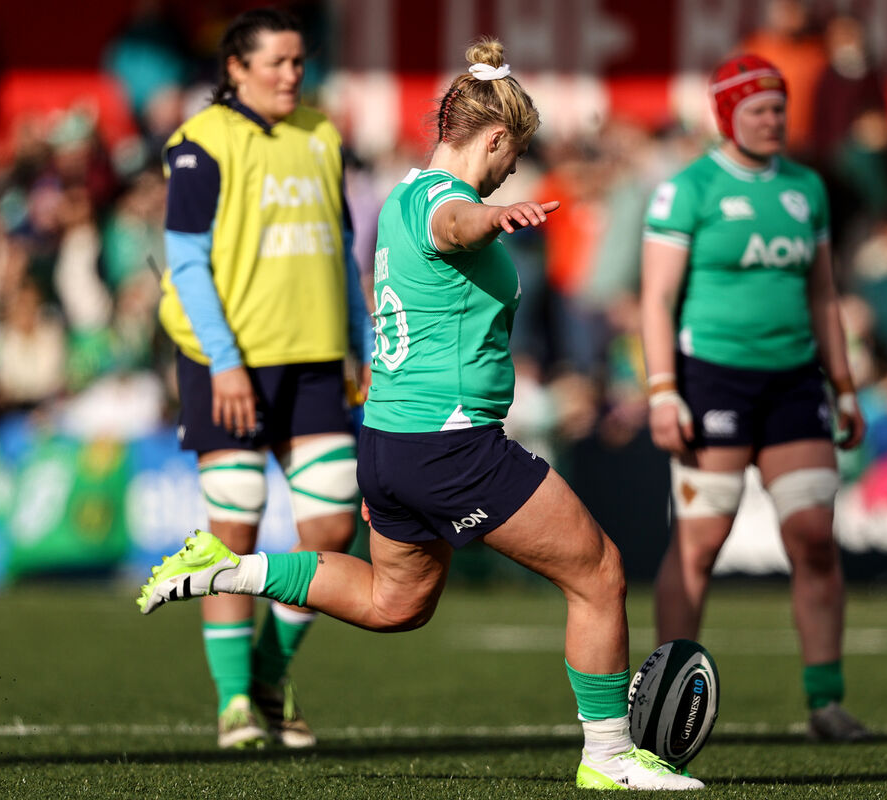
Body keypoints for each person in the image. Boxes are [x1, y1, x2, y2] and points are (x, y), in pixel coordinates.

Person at [140, 37, 703, 791]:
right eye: (513, 154)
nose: (512, 169)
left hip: (391, 442)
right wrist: (496, 215)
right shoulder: (448, 203)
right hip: (453, 445)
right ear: (497, 140)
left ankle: (230, 568)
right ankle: (607, 758)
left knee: (393, 603)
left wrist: (488, 212)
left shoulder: (403, 192)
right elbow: (457, 225)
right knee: (599, 572)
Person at [156, 8, 373, 749]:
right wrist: (222, 360)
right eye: (276, 62)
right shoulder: (200, 143)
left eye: (298, 62)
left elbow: (341, 245)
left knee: (332, 529)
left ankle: (271, 674)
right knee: (235, 524)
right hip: (231, 364)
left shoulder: (322, 134)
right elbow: (184, 261)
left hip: (315, 359)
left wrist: (360, 340)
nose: (291, 74)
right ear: (235, 69)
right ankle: (234, 704)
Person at [640, 54, 868, 741]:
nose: (774, 121)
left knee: (813, 539)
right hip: (712, 379)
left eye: (780, 108)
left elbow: (822, 292)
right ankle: (663, 702)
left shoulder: (807, 189)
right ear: (726, 115)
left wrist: (846, 384)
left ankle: (826, 701)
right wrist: (661, 391)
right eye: (759, 110)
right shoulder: (687, 190)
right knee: (699, 546)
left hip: (796, 382)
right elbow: (655, 298)